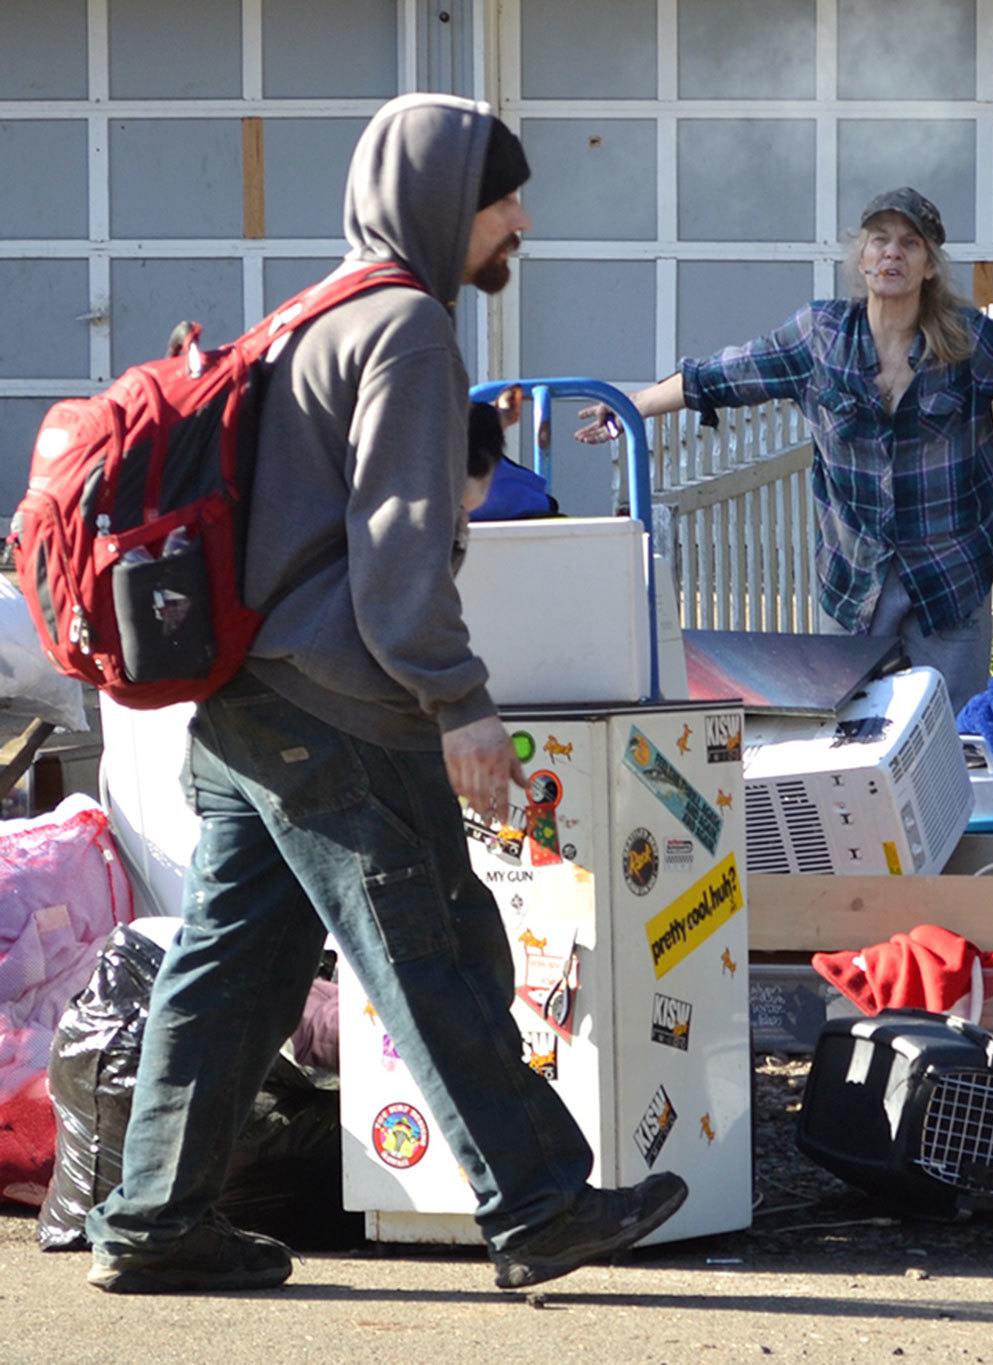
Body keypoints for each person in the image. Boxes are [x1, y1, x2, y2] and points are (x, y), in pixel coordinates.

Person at [84, 94, 684, 1296]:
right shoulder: (407, 328)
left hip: (252, 697)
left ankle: (152, 1221)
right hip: (343, 705)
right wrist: (456, 699)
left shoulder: (320, 310)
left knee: (234, 963)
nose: (519, 221)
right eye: (502, 199)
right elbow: (400, 541)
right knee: (432, 950)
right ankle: (540, 1204)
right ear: (442, 202)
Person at [576, 187, 993, 710]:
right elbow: (710, 378)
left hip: (948, 582)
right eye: (879, 240)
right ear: (860, 258)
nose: (892, 253)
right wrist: (626, 406)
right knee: (850, 737)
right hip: (853, 586)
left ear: (930, 263)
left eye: (908, 242)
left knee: (957, 736)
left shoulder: (966, 342)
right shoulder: (819, 338)